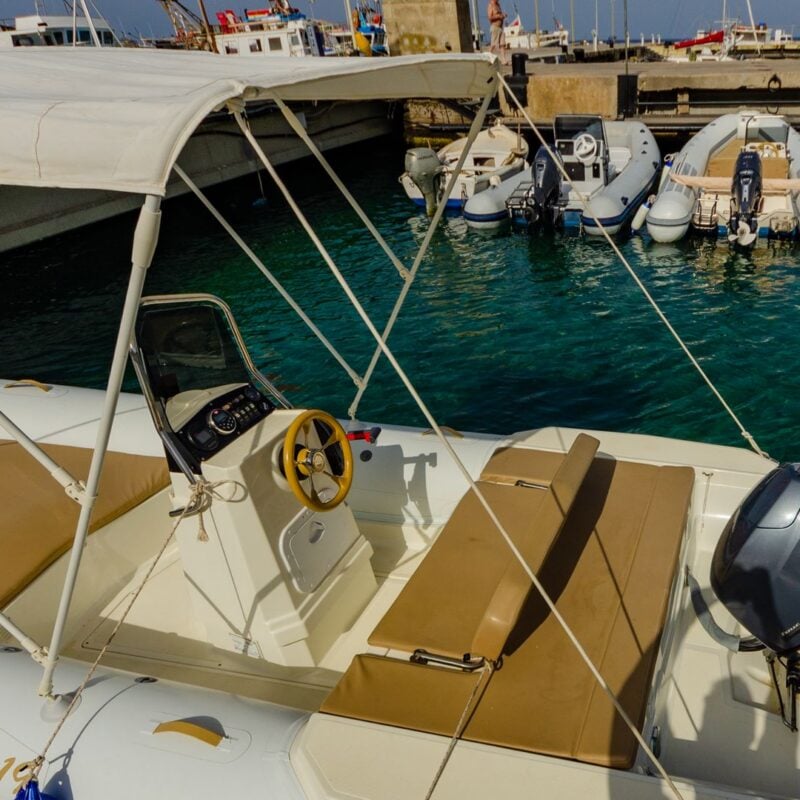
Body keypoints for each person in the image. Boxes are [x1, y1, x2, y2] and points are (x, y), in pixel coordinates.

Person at [487, 0, 508, 65]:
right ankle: (487, 58)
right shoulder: (491, 5)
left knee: (502, 45)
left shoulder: (498, 5)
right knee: (493, 45)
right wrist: (499, 16)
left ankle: (504, 60)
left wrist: (503, 15)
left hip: (501, 28)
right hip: (495, 27)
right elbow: (490, 17)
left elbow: (500, 14)